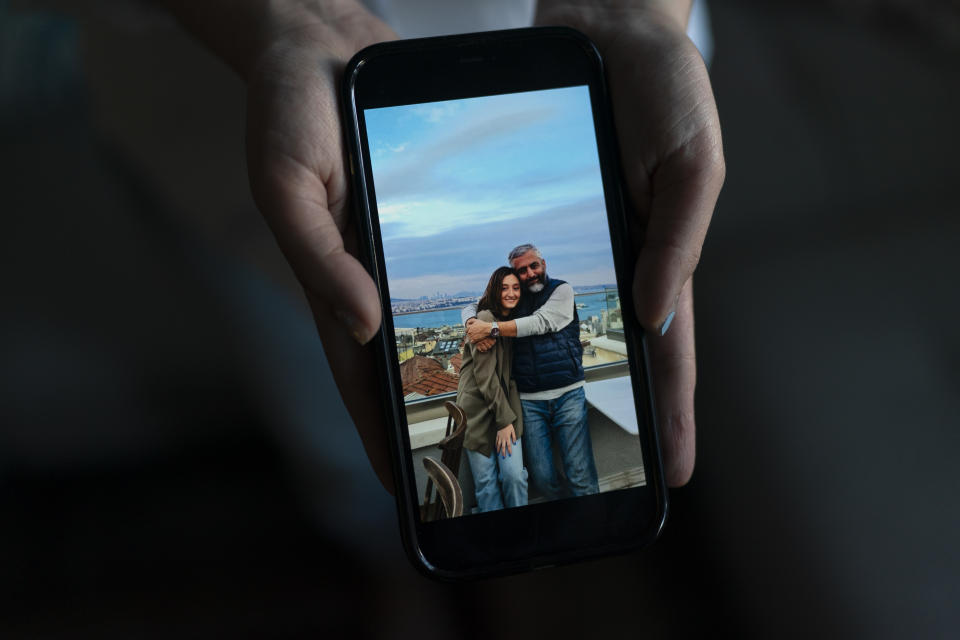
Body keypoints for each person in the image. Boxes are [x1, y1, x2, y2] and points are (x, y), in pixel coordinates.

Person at [153, 0, 724, 490]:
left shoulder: (552, 296)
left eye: (529, 269)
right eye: (517, 271)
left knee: (558, 474)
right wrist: (290, 16)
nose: (524, 277)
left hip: (604, 74)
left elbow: (538, 331)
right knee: (327, 427)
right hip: (232, 129)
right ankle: (385, 562)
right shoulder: (502, 306)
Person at [463, 245, 598, 498]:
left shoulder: (562, 290)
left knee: (581, 477)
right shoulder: (515, 297)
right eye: (521, 270)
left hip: (568, 395)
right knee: (542, 478)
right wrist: (472, 323)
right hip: (529, 402)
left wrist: (489, 329)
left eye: (533, 266)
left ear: (543, 264)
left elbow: (541, 322)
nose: (530, 274)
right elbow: (474, 306)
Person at [456, 267, 528, 512]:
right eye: (505, 287)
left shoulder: (509, 322)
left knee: (514, 475)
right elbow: (485, 377)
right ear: (495, 290)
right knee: (486, 484)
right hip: (478, 410)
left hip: (505, 405)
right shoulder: (485, 319)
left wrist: (506, 418)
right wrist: (503, 421)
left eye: (516, 288)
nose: (511, 293)